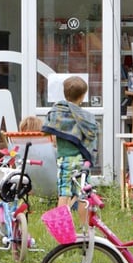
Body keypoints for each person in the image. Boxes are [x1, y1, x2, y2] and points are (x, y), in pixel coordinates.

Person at [42, 76, 98, 225]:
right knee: (83, 194)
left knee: (64, 193)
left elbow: (47, 130)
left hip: (65, 160)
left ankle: (62, 226)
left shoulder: (58, 112)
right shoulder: (85, 117)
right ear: (83, 96)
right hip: (82, 161)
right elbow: (90, 138)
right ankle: (84, 226)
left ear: (64, 93)